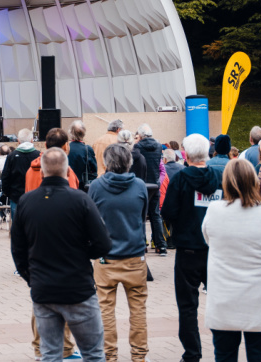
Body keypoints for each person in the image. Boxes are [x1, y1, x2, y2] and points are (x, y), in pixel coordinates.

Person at [12, 147, 112, 362]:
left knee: (50, 354)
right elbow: (103, 243)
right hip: (78, 288)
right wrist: (83, 255)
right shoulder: (81, 200)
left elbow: (18, 250)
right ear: (68, 171)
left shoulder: (26, 202)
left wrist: (31, 278)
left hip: (44, 289)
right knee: (93, 353)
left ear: (42, 172)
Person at [202, 159, 261, 362]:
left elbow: (208, 239)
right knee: (259, 355)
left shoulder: (214, 210)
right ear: (253, 181)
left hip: (224, 297)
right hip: (260, 296)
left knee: (224, 355)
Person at [160, 133, 222, 362]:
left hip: (187, 249)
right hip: (215, 251)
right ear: (208, 152)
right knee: (220, 303)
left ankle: (192, 354)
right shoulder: (219, 177)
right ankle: (222, 351)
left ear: (185, 154)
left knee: (187, 307)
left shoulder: (180, 179)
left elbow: (167, 211)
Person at [88, 144, 149, 362]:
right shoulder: (140, 186)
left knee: (105, 310)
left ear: (106, 162)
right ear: (128, 162)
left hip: (106, 259)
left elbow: (91, 221)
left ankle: (109, 355)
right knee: (138, 309)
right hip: (135, 256)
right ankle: (139, 356)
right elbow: (143, 217)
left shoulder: (95, 187)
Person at [133, 124, 167, 256]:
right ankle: (160, 246)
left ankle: (142, 245)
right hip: (155, 184)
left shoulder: (138, 146)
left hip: (141, 184)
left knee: (140, 215)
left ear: (140, 135)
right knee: (155, 215)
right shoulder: (158, 146)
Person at [2, 128, 40, 218]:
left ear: (18, 141)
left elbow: (5, 177)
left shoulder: (12, 156)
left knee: (17, 226)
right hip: (36, 197)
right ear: (32, 140)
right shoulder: (39, 155)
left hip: (16, 196)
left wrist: (8, 193)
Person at [67, 120, 98, 190]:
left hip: (68, 186)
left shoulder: (65, 148)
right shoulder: (87, 149)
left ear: (71, 132)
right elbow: (94, 170)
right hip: (83, 187)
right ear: (83, 133)